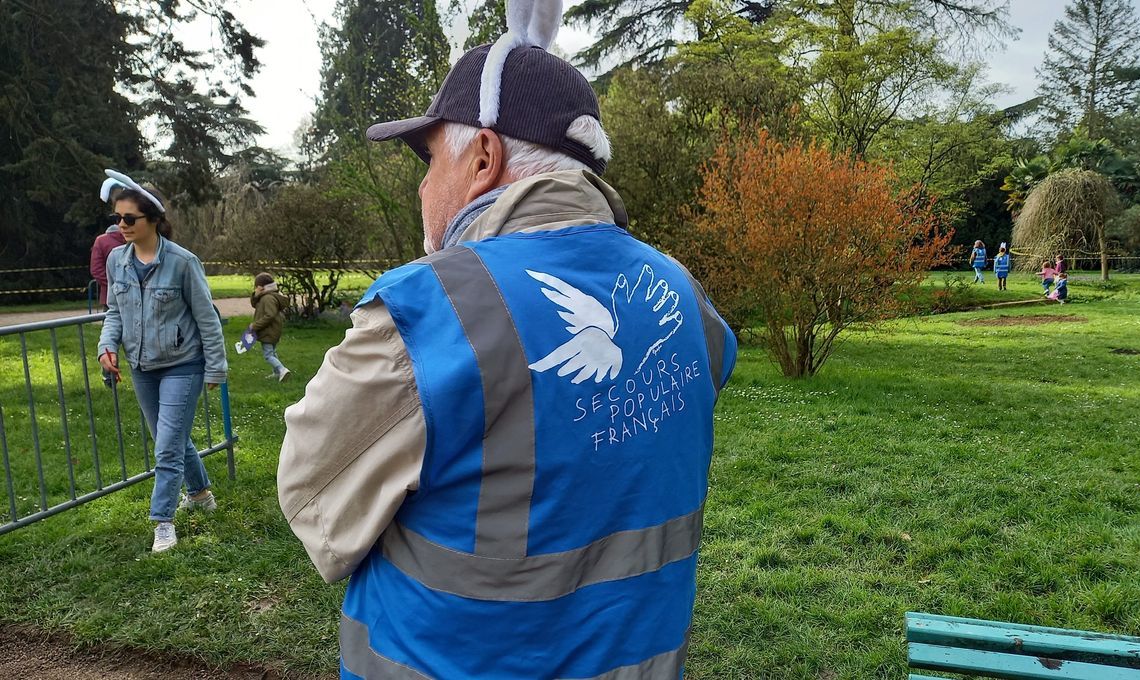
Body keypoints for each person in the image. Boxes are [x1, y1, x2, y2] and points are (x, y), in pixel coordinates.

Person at [277, 3, 738, 677]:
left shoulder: (426, 313)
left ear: (485, 157)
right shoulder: (682, 293)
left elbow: (314, 497)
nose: (423, 186)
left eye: (430, 159)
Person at [96, 169, 227, 553]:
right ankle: (201, 494)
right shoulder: (117, 260)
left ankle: (163, 521)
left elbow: (207, 317)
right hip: (141, 368)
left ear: (153, 218)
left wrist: (216, 367)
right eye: (117, 218)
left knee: (166, 447)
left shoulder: (184, 262)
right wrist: (108, 347)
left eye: (129, 218)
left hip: (183, 365)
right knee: (170, 438)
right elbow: (114, 312)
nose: (121, 225)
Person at [249, 272, 291, 382]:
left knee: (268, 355)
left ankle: (282, 369)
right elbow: (255, 304)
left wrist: (255, 325)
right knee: (272, 351)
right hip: (273, 330)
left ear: (261, 287)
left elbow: (270, 315)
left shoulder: (268, 298)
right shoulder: (265, 296)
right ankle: (276, 372)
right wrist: (256, 295)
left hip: (269, 330)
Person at [90, 215, 126, 308]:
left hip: (109, 296)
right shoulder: (135, 237)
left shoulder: (100, 241)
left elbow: (96, 269)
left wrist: (113, 284)